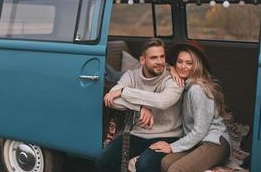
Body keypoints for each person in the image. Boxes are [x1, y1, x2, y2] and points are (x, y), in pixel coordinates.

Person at [96, 38, 184, 172]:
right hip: (138, 133)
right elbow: (111, 99)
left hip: (168, 134)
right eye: (154, 58)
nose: (160, 62)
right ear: (142, 60)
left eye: (162, 56)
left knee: (144, 165)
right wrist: (141, 107)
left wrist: (124, 91)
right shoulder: (131, 76)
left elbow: (162, 101)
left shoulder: (173, 79)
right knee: (103, 159)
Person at [149, 42, 232, 172]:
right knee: (165, 163)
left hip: (214, 142)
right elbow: (154, 65)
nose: (183, 66)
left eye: (189, 63)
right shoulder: (183, 84)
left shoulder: (197, 90)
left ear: (196, 66)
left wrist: (172, 147)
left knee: (176, 169)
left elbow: (200, 130)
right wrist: (170, 69)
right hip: (198, 142)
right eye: (179, 62)